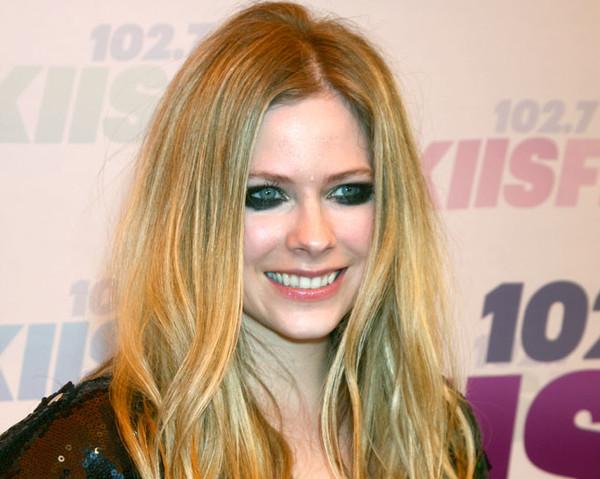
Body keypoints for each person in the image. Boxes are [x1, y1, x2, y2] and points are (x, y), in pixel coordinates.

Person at [0, 2, 490, 478]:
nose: (314, 237)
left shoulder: (439, 434)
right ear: (196, 215)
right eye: (266, 195)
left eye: (347, 192)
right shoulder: (102, 453)